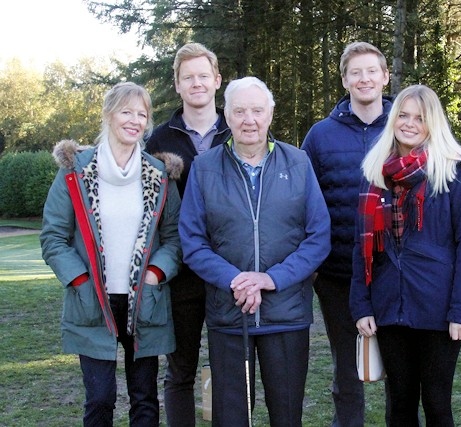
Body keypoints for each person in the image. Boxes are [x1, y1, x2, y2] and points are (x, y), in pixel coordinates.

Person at [179, 76, 331, 427]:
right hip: (229, 317)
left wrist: (270, 279)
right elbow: (193, 242)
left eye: (257, 110)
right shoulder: (204, 169)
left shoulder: (299, 163)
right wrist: (237, 280)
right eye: (240, 111)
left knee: (287, 417)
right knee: (231, 419)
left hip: (287, 315)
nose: (250, 119)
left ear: (270, 115)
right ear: (227, 117)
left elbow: (318, 236)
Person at [40, 82, 183, 426]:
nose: (134, 120)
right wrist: (79, 279)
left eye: (142, 114)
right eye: (126, 111)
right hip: (92, 300)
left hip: (144, 302)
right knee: (100, 399)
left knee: (145, 400)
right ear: (108, 114)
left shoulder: (159, 174)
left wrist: (155, 274)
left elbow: (174, 238)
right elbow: (54, 237)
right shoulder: (75, 171)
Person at [349, 84, 461, 426]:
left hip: (439, 310)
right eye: (403, 115)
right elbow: (362, 246)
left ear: (432, 124)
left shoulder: (453, 171)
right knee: (400, 405)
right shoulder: (376, 172)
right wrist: (361, 304)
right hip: (389, 306)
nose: (409, 124)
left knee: (437, 403)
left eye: (419, 118)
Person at [301, 41, 393, 427]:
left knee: (401, 373)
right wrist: (314, 265)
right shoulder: (321, 136)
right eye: (356, 72)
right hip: (339, 274)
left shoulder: (408, 125)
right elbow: (303, 203)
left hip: (396, 273)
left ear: (385, 76)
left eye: (372, 71)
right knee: (346, 372)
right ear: (345, 80)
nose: (365, 78)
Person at [145, 42, 230, 426]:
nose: (196, 83)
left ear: (217, 80)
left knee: (228, 372)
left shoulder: (241, 128)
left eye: (202, 75)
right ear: (177, 85)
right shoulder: (158, 142)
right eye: (187, 77)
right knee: (180, 371)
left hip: (232, 270)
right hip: (180, 275)